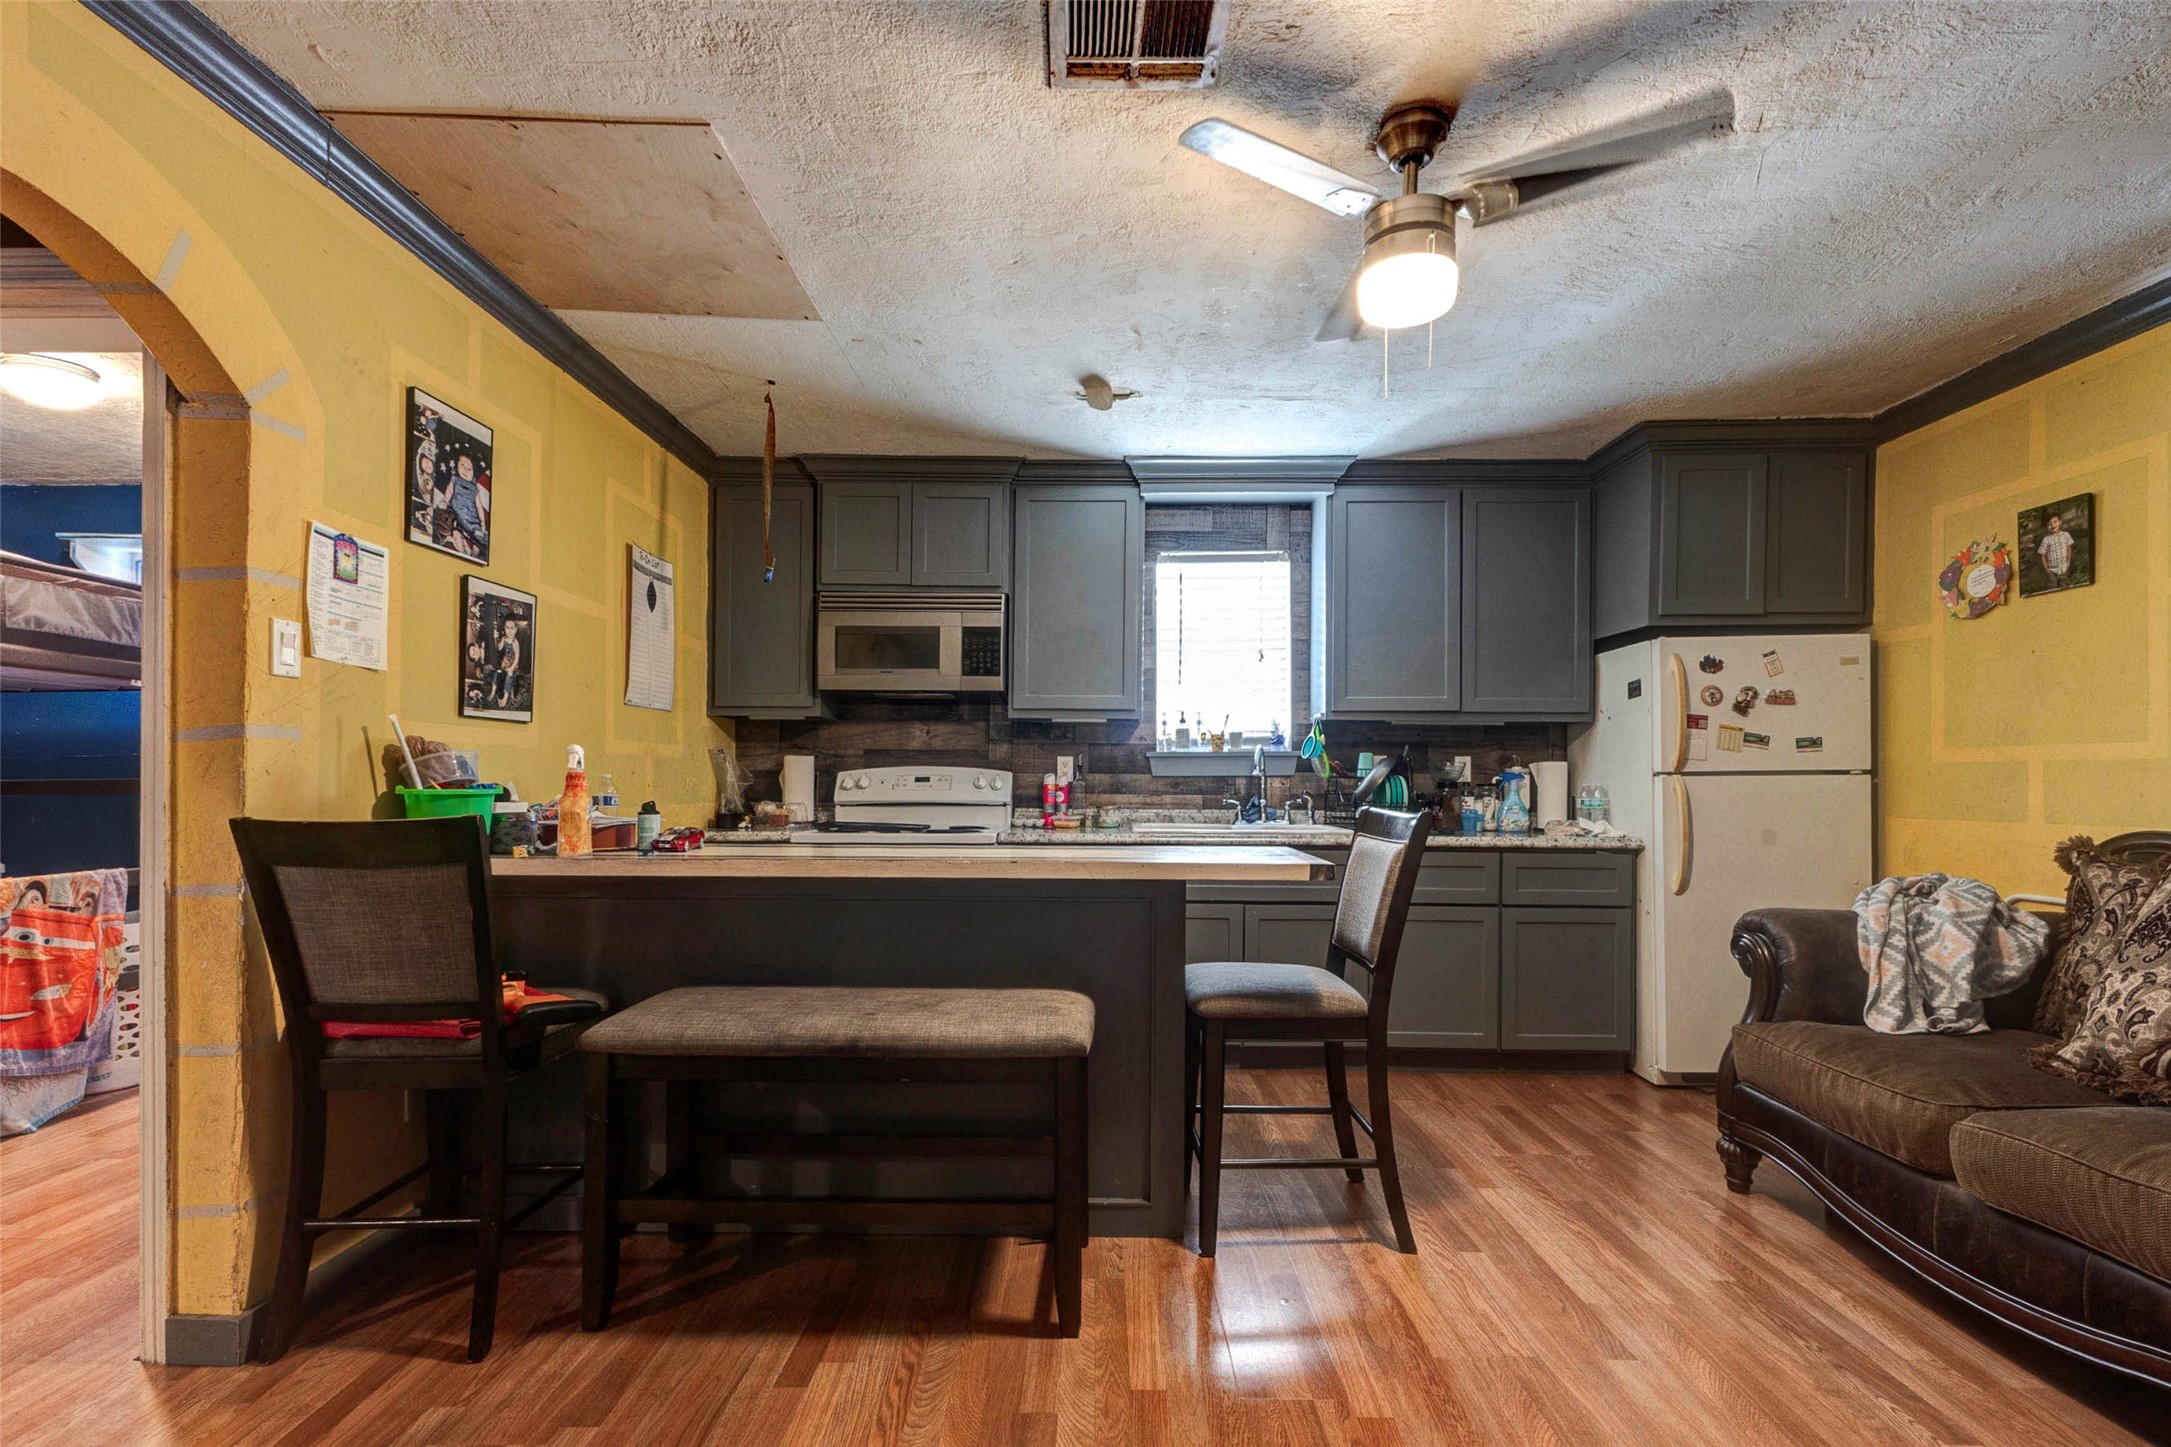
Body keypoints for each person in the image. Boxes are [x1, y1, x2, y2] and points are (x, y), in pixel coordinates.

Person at [2037, 512, 2075, 590]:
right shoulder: (2046, 539)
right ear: (2046, 527)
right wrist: (2047, 570)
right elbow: (2042, 555)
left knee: (2063, 586)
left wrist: (2068, 562)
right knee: (2052, 588)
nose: (2053, 525)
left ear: (2060, 522)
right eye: (2049, 524)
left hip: (2064, 567)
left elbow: (2068, 548)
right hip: (2052, 570)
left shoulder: (2066, 535)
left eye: (2055, 522)